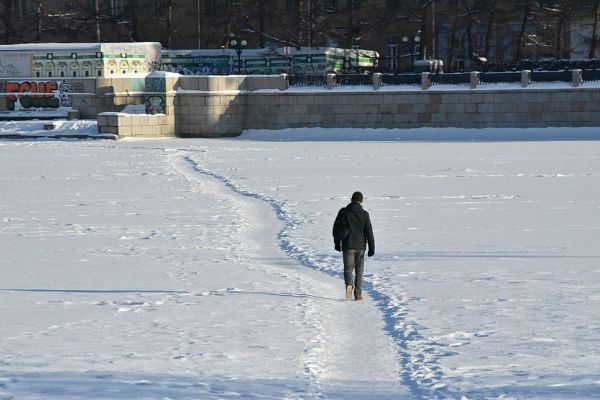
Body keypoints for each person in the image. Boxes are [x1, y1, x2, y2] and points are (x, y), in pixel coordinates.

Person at [332, 191, 375, 301]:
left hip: (347, 245)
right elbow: (369, 231)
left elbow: (336, 228)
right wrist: (371, 247)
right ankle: (358, 295)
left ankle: (349, 286)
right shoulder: (365, 214)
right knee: (359, 271)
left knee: (348, 269)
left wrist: (337, 243)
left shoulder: (344, 212)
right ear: (361, 201)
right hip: (361, 247)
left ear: (351, 200)